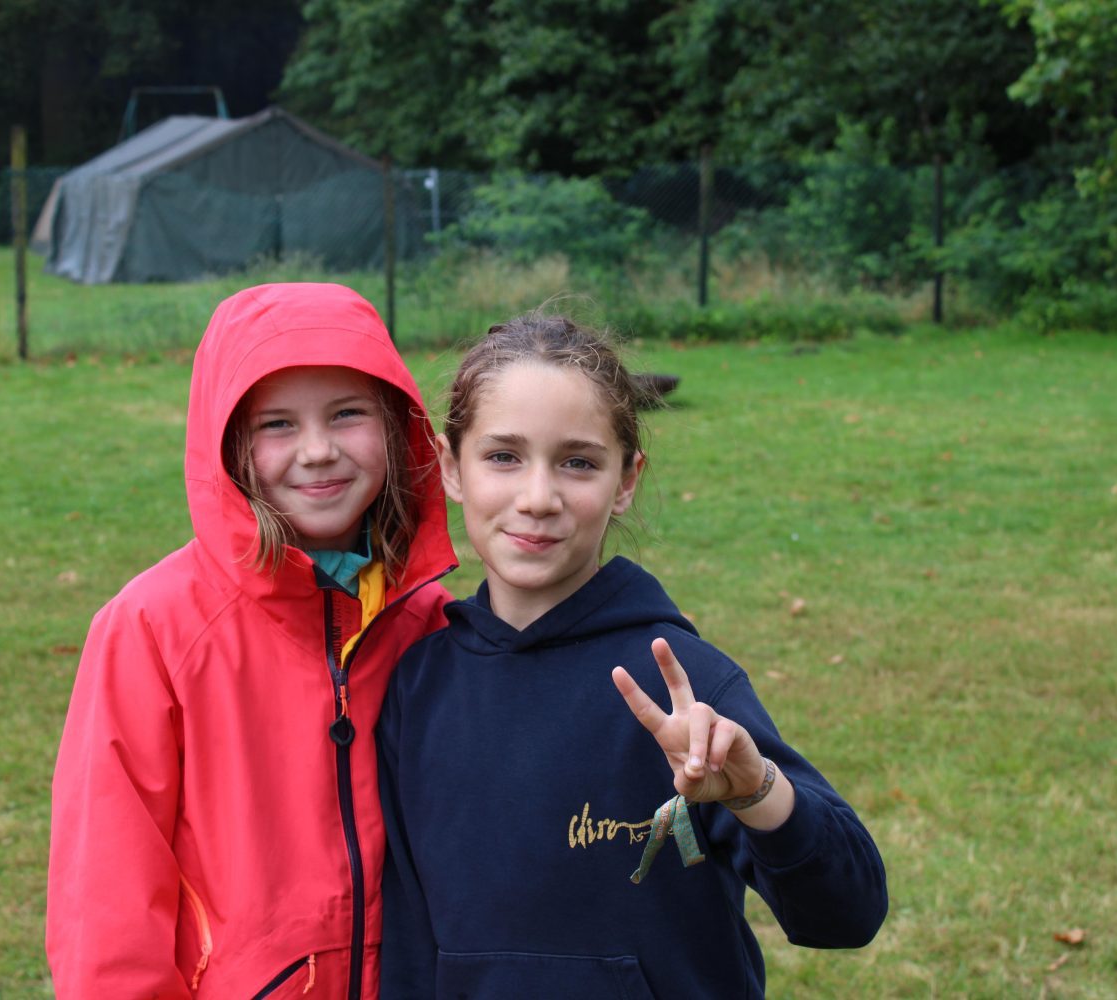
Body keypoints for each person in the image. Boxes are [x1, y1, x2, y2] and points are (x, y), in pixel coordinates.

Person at [377, 312, 888, 999]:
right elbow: (408, 947)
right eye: (503, 456)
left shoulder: (685, 688)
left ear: (626, 480)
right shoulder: (418, 687)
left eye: (578, 463)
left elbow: (848, 914)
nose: (538, 498)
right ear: (450, 467)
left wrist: (757, 791)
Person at [47, 283, 457, 999]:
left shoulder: (432, 623)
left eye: (347, 413)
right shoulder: (152, 629)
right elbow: (106, 897)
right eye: (277, 424)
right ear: (229, 444)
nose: (318, 451)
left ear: (397, 426)